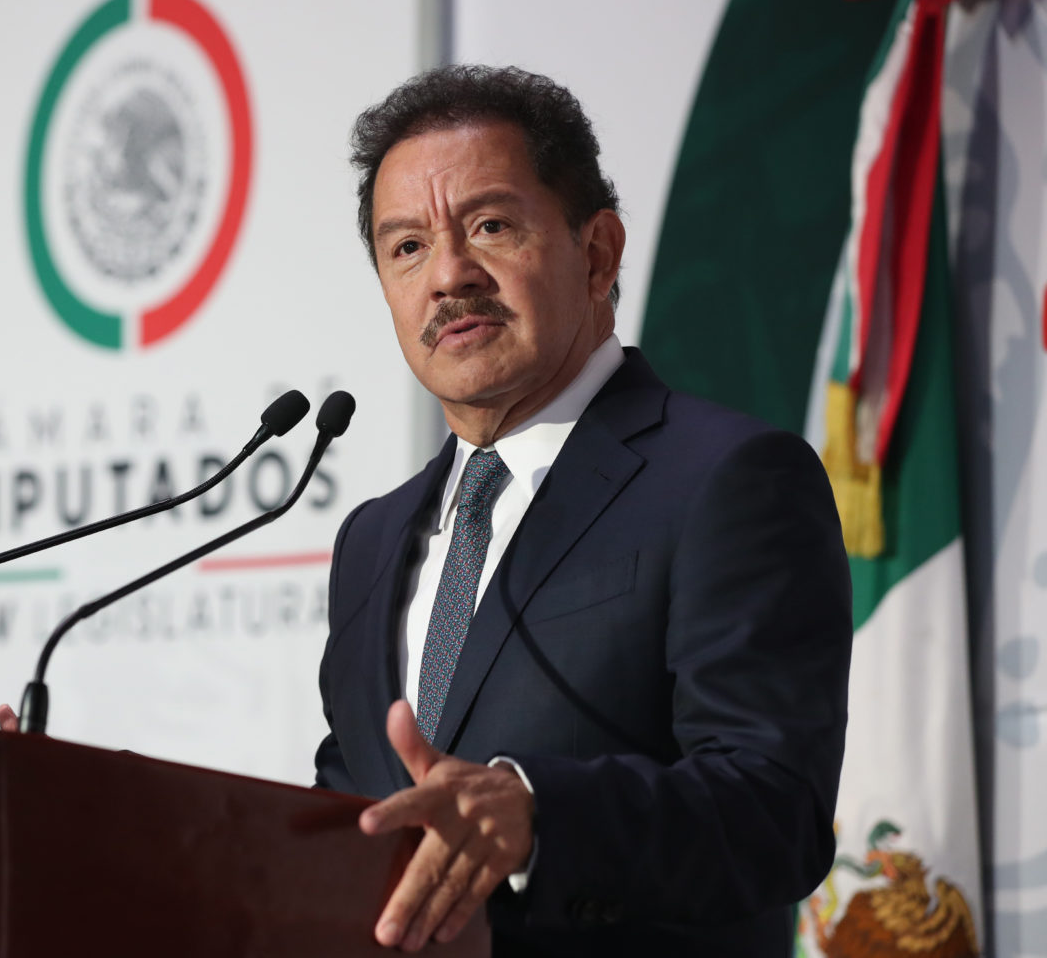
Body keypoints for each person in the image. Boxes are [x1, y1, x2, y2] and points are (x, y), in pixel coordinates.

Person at [313, 65, 852, 955]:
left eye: (490, 226)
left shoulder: (726, 479)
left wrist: (539, 814)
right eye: (406, 246)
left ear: (597, 252)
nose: (447, 275)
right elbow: (351, 818)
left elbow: (774, 810)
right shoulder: (370, 540)